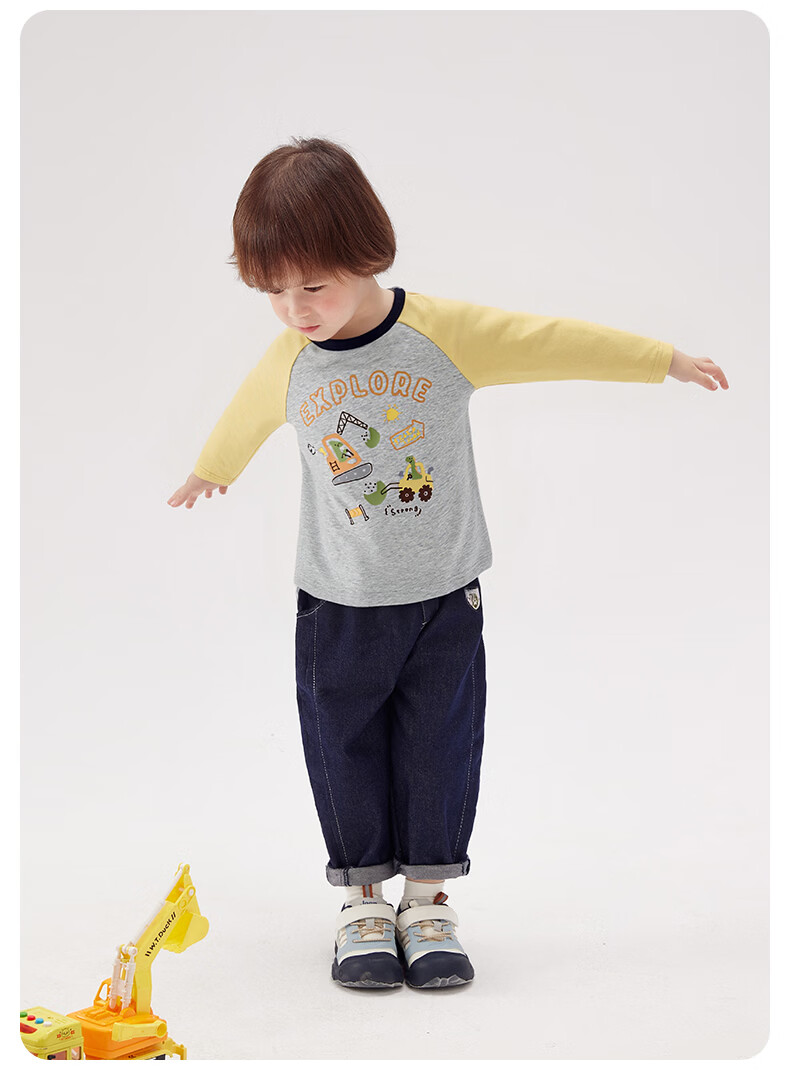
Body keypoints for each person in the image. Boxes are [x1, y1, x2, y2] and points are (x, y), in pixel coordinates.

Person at [167, 136, 729, 991]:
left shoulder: (442, 335)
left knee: (441, 747)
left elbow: (549, 341)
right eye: (272, 291)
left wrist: (662, 360)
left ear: (365, 255)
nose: (294, 310)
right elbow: (247, 415)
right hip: (338, 602)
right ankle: (362, 905)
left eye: (312, 286)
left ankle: (427, 903)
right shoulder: (290, 359)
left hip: (443, 599)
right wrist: (213, 468)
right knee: (344, 746)